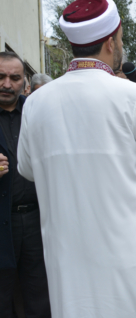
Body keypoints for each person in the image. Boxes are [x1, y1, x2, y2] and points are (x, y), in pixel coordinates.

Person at [17, 0, 136, 317]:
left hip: (67, 259)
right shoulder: (133, 95)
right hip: (128, 257)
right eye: (120, 39)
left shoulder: (37, 102)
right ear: (111, 42)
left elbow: (26, 168)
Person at [0, 52, 50, 318]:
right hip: (2, 220)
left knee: (39, 295)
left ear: (25, 82)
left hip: (35, 220)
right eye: (1, 76)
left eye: (15, 78)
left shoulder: (38, 112)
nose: (7, 84)